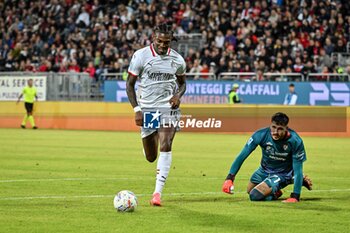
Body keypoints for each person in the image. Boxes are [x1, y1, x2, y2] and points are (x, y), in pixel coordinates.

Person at [126, 23, 186, 206]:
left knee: (166, 143)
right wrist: (137, 110)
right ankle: (148, 145)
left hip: (168, 108)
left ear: (171, 41)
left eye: (166, 42)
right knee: (151, 157)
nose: (162, 45)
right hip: (148, 109)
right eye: (159, 41)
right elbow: (129, 85)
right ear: (154, 38)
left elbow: (183, 83)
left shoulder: (177, 60)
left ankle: (157, 194)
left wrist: (178, 95)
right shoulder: (141, 56)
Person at [222, 112, 312, 202]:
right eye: (273, 127)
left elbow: (298, 169)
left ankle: (290, 179)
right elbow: (242, 156)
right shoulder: (261, 135)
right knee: (250, 190)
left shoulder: (295, 141)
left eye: (280, 129)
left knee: (255, 195)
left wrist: (295, 196)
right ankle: (276, 191)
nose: (275, 132)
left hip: (283, 173)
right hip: (264, 170)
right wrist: (230, 178)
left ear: (286, 128)